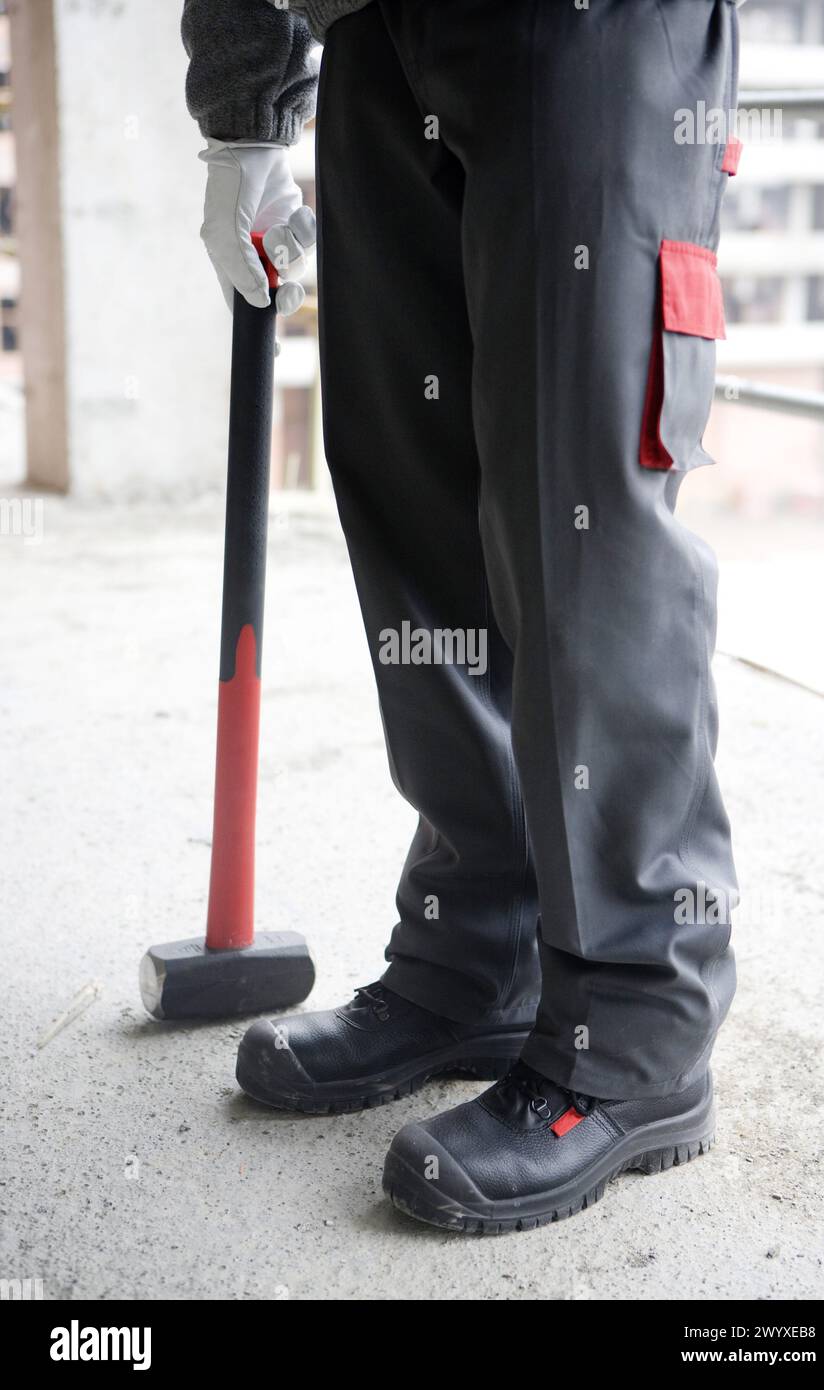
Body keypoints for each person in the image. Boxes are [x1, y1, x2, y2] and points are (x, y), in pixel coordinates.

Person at [182, 0, 745, 1234]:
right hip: (373, 34)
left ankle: (635, 1021)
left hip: (590, 28)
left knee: (579, 515)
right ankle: (474, 946)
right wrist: (241, 108)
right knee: (414, 501)